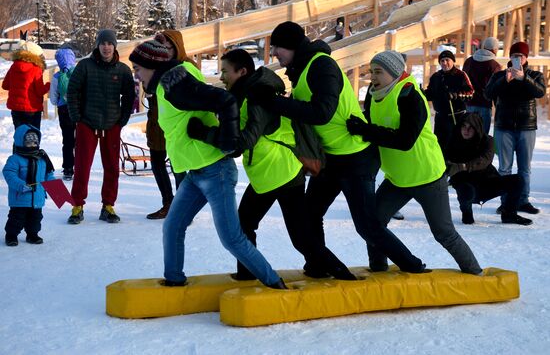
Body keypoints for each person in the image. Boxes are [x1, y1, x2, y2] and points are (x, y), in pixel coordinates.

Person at [256, 21, 426, 274]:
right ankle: (319, 264)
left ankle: (412, 265)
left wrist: (275, 104)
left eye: (278, 48)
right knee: (310, 214)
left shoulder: (321, 65)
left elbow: (322, 112)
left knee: (366, 225)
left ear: (291, 46)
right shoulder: (301, 70)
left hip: (356, 158)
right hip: (332, 159)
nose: (275, 54)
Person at [129, 40, 286, 289]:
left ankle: (275, 284)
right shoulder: (172, 80)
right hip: (196, 172)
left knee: (231, 239)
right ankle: (174, 282)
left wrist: (228, 141)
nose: (136, 75)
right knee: (172, 226)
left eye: (137, 68)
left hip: (216, 172)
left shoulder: (174, 85)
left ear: (151, 66)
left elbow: (225, 101)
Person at [190, 48, 355, 280]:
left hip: (282, 172)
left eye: (225, 71)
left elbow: (245, 140)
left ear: (242, 71)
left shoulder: (257, 96)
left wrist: (205, 133)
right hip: (267, 172)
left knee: (297, 236)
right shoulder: (245, 94)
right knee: (251, 225)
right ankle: (248, 273)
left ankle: (342, 275)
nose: (222, 77)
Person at [346, 50, 482, 275]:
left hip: (428, 176)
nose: (373, 77)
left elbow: (405, 140)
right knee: (373, 226)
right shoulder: (374, 94)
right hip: (398, 178)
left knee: (444, 233)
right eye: (372, 71)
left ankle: (475, 273)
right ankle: (378, 272)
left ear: (394, 72)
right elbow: (370, 126)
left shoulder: (410, 94)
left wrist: (366, 130)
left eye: (378, 72)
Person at [66, 29, 136, 224]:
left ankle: (108, 206)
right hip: (87, 123)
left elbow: (129, 97)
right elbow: (72, 92)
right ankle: (77, 205)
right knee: (82, 166)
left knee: (112, 167)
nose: (106, 47)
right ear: (98, 45)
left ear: (115, 46)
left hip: (112, 124)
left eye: (110, 43)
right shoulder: (85, 66)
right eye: (103, 43)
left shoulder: (122, 70)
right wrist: (77, 117)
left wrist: (122, 120)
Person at [137, 30, 194, 220]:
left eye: (170, 47)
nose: (167, 52)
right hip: (157, 123)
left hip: (179, 125)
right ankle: (168, 203)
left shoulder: (187, 66)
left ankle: (183, 207)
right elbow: (147, 86)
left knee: (180, 167)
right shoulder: (156, 66)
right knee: (157, 163)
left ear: (177, 46)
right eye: (163, 48)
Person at [486, 41, 546, 215]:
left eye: (520, 56)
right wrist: (504, 81)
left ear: (526, 58)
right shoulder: (500, 75)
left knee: (524, 167)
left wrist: (523, 78)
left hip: (526, 127)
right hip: (503, 126)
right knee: (504, 168)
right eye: (514, 56)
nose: (517, 59)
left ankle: (523, 200)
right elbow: (488, 93)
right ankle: (505, 202)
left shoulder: (534, 75)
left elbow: (540, 92)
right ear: (510, 58)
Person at [446, 113, 532, 225]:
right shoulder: (453, 142)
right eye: (464, 126)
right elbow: (444, 162)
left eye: (470, 127)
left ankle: (509, 214)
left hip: (487, 183)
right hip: (467, 186)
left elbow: (484, 160)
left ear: (477, 128)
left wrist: (462, 166)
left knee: (518, 180)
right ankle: (467, 214)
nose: (466, 130)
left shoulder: (487, 141)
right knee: (465, 189)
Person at [3, 124, 55, 246]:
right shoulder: (15, 159)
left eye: (34, 143)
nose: (32, 145)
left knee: (35, 219)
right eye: (29, 143)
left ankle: (32, 234)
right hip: (20, 197)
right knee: (16, 219)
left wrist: (54, 186)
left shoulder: (42, 158)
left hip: (37, 197)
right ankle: (11, 235)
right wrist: (21, 185)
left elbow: (48, 174)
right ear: (21, 142)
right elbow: (9, 174)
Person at [424, 50, 474, 156]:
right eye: (442, 61)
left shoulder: (460, 75)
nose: (444, 63)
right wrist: (422, 94)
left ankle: (455, 168)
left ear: (453, 61)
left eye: (447, 60)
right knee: (439, 145)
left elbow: (470, 93)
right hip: (440, 117)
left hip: (456, 116)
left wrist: (456, 95)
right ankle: (442, 169)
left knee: (455, 144)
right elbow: (431, 93)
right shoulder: (436, 77)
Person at [2, 41, 50, 130]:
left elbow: (5, 85)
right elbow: (40, 91)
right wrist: (48, 85)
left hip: (16, 108)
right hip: (32, 109)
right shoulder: (36, 69)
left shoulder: (14, 66)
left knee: (19, 135)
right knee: (32, 136)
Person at [462, 37, 502, 135]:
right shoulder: (494, 65)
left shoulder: (469, 61)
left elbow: (463, 81)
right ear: (495, 50)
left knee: (469, 136)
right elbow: (496, 89)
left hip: (469, 103)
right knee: (482, 137)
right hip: (485, 104)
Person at [49, 47, 77, 181]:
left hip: (64, 111)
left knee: (67, 140)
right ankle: (81, 166)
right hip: (79, 110)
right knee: (81, 140)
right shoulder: (79, 73)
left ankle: (68, 169)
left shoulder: (56, 77)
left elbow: (53, 99)